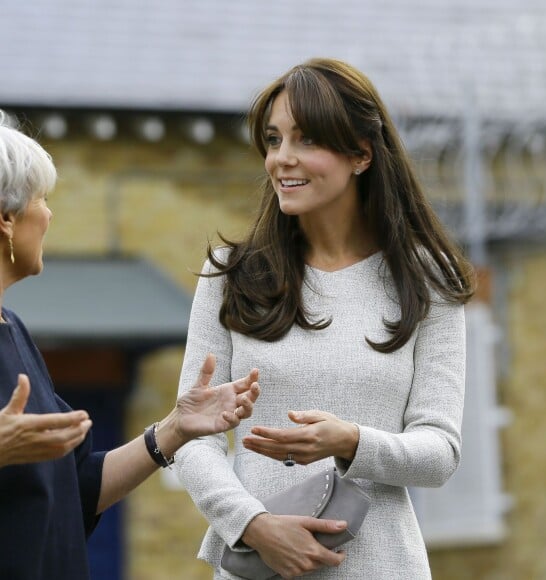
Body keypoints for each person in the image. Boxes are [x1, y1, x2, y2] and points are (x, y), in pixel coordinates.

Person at [175, 57, 475, 579]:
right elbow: (192, 437)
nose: (282, 160)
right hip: (256, 565)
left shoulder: (428, 280)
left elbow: (440, 451)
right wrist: (253, 524)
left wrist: (351, 442)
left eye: (305, 140)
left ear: (361, 154)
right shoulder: (230, 274)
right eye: (273, 140)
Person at [0, 113, 262, 580]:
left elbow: (79, 486)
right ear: (5, 220)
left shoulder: (14, 330)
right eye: (42, 199)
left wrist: (176, 429)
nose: (49, 214)